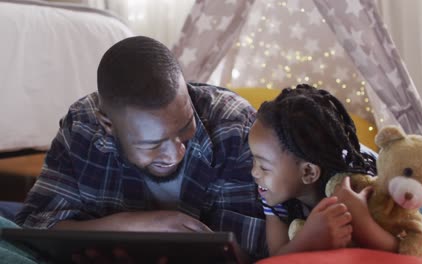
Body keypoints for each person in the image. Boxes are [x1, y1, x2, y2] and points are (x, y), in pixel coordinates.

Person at [14, 36, 267, 261]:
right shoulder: (82, 126)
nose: (175, 152)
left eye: (185, 127)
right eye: (153, 144)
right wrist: (135, 226)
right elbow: (37, 225)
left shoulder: (236, 127)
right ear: (108, 124)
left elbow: (256, 249)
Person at [248, 84, 399, 256]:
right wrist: (308, 239)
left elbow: (403, 251)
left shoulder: (360, 186)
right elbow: (277, 258)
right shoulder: (274, 197)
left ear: (308, 172)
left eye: (264, 167)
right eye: (253, 160)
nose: (254, 172)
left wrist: (362, 221)